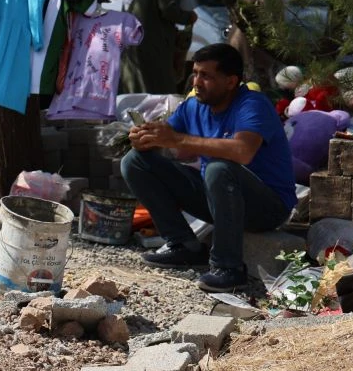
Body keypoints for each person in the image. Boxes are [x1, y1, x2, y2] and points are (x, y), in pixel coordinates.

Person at [121, 43, 297, 293]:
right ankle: (182, 244)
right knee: (135, 161)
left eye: (206, 76)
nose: (196, 82)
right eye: (195, 73)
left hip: (266, 207)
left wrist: (176, 139)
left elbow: (242, 152)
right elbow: (179, 150)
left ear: (230, 81)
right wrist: (150, 140)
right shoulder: (195, 106)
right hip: (219, 196)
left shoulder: (252, 104)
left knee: (218, 168)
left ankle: (229, 268)